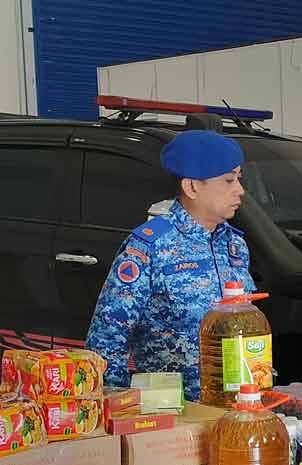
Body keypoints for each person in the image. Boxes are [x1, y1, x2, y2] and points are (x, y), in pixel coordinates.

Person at [86, 129, 254, 401]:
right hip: (173, 413)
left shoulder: (233, 245)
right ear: (192, 187)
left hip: (235, 408)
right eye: (228, 180)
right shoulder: (150, 246)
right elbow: (106, 341)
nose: (240, 190)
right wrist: (120, 410)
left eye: (239, 179)